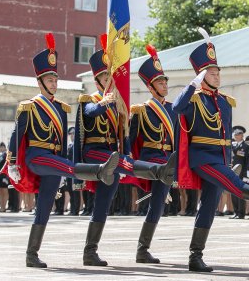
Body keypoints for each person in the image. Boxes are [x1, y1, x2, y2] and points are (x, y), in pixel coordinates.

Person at [173, 28, 249, 272]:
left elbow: (224, 135)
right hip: (202, 158)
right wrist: (194, 83)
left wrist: (227, 159)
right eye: (211, 73)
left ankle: (195, 256)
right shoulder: (193, 99)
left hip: (219, 158)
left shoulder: (224, 101)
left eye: (218, 72)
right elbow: (176, 107)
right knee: (233, 184)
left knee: (208, 206)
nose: (217, 76)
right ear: (202, 75)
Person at [5, 33, 121, 268]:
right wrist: (13, 162)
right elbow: (16, 135)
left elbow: (60, 138)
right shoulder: (30, 106)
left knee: (45, 207)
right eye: (49, 80)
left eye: (55, 80)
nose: (54, 84)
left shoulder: (61, 108)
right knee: (67, 167)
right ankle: (99, 171)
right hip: (37, 156)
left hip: (53, 159)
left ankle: (31, 254)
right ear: (40, 82)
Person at [74, 42, 177, 267]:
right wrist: (104, 102)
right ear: (96, 81)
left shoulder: (118, 104)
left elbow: (125, 137)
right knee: (124, 164)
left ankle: (90, 252)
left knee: (103, 205)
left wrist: (127, 153)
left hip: (112, 158)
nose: (108, 80)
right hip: (94, 154)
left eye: (110, 76)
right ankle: (160, 170)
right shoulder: (90, 100)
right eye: (103, 77)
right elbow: (90, 114)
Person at [127, 44, 179, 263]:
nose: (164, 85)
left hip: (167, 159)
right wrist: (127, 161)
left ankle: (142, 250)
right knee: (157, 200)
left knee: (157, 207)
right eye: (160, 82)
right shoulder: (142, 110)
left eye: (165, 81)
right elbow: (131, 140)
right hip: (150, 159)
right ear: (151, 87)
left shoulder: (173, 109)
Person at [230, 126, 249, 219]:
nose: (237, 136)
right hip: (233, 172)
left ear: (242, 135)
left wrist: (246, 174)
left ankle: (241, 213)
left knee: (241, 193)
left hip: (242, 173)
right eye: (235, 134)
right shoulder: (232, 145)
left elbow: (247, 161)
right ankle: (236, 212)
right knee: (233, 192)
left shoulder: (245, 146)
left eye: (239, 134)